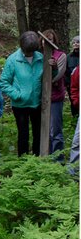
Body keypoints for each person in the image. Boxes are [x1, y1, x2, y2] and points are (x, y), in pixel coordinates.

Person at [0, 31, 44, 156]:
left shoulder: (40, 58)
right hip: (20, 106)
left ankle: (38, 160)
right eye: (28, 51)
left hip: (37, 103)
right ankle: (23, 162)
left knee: (38, 133)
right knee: (23, 134)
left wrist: (54, 68)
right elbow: (4, 82)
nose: (30, 54)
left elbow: (50, 78)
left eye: (32, 51)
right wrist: (17, 95)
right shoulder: (13, 60)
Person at [42, 29, 67, 162]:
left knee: (55, 131)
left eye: (50, 39)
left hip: (55, 98)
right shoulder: (38, 56)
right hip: (40, 98)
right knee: (44, 131)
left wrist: (54, 67)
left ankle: (58, 161)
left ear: (54, 41)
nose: (46, 42)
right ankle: (45, 158)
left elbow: (59, 76)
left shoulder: (60, 55)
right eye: (44, 39)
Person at [68, 67, 79, 176]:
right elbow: (74, 87)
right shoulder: (78, 70)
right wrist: (76, 101)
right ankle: (73, 174)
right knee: (77, 142)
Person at [65, 36, 79, 118]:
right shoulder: (68, 57)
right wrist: (67, 84)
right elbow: (65, 72)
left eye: (77, 42)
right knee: (74, 104)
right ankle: (75, 118)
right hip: (72, 86)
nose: (75, 44)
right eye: (74, 42)